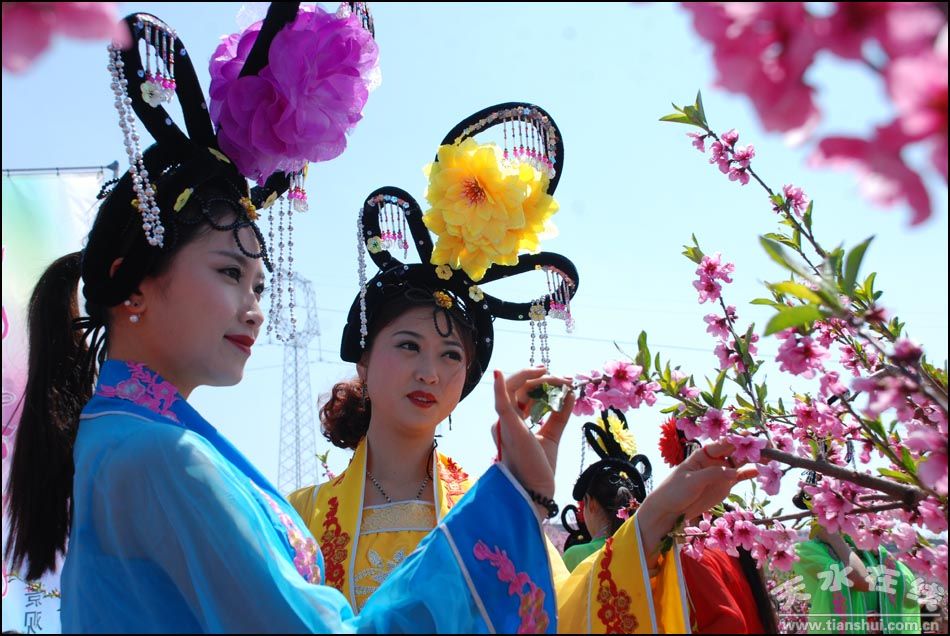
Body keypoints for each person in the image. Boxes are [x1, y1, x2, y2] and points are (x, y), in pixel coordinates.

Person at [3, 7, 566, 633]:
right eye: (228, 272)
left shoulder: (127, 437)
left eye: (259, 284)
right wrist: (516, 499)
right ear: (131, 282)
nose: (254, 308)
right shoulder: (160, 456)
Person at [793, 478, 921, 634]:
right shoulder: (806, 552)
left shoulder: (869, 551)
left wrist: (876, 549)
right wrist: (833, 538)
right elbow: (863, 582)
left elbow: (908, 595)